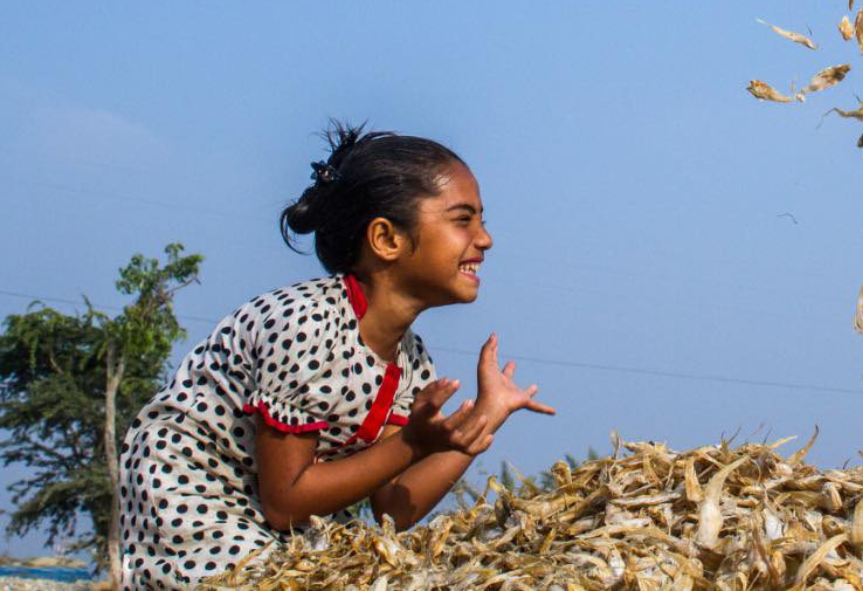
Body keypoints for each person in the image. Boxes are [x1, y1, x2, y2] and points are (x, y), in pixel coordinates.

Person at [115, 122, 555, 590]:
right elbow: (285, 502)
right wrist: (412, 443)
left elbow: (392, 507)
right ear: (386, 239)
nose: (485, 239)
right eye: (463, 220)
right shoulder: (305, 325)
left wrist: (485, 416)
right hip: (197, 500)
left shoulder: (410, 361)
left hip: (284, 518)